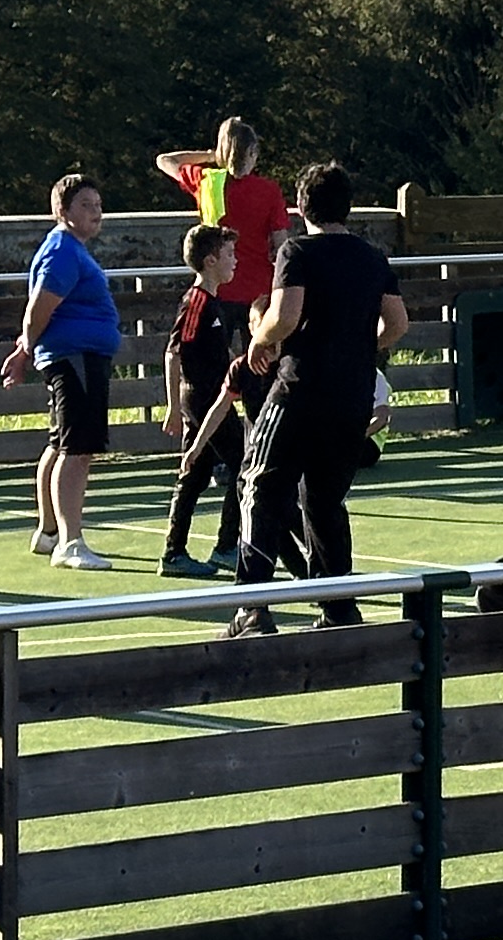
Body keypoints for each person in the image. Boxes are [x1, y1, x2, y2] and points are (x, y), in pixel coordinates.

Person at [222, 162, 407, 637]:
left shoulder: (297, 251)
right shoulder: (373, 257)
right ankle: (338, 606)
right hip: (352, 395)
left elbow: (285, 315)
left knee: (257, 484)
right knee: (325, 500)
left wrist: (259, 343)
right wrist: (360, 346)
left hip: (300, 389)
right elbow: (397, 324)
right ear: (348, 207)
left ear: (301, 206)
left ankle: (253, 604)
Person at [1, 174, 120, 573]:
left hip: (76, 355)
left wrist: (25, 350)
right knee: (77, 449)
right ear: (63, 211)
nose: (95, 212)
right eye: (85, 205)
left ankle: (49, 531)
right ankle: (70, 541)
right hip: (76, 357)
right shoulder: (63, 251)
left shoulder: (70, 250)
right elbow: (39, 309)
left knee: (60, 443)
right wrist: (26, 349)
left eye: (98, 205)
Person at [157, 220, 258, 578]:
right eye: (229, 254)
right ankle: (226, 546)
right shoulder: (197, 301)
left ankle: (174, 552)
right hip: (202, 401)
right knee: (243, 467)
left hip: (211, 399)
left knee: (194, 472)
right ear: (211, 260)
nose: (235, 261)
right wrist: (173, 405)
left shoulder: (215, 303)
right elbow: (173, 353)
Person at [155, 118, 294, 304]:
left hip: (216, 285)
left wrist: (211, 156)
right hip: (258, 287)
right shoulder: (269, 191)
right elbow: (281, 245)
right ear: (252, 152)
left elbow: (165, 160)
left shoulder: (207, 181)